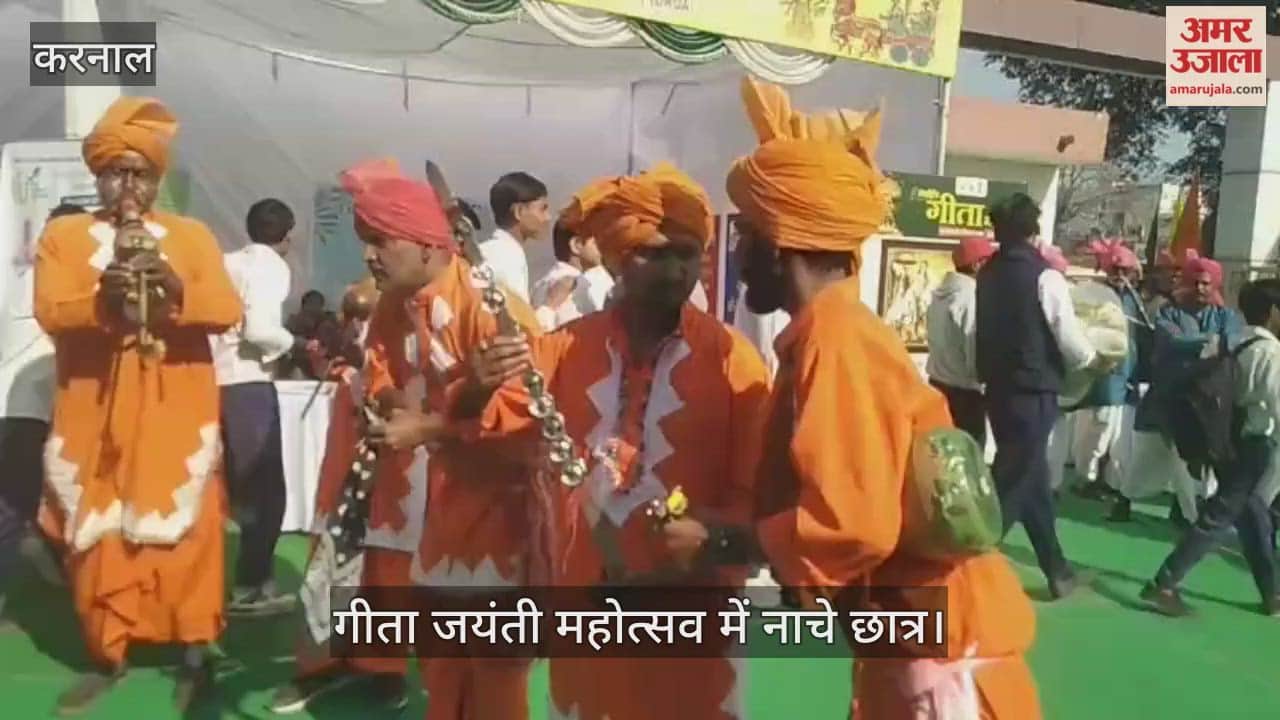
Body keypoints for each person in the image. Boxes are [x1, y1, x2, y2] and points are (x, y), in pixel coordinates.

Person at [725, 76, 1040, 718]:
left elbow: (851, 525)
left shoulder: (837, 338)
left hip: (945, 669)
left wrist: (726, 543)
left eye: (743, 236)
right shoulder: (831, 330)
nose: (735, 252)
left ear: (777, 243)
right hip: (914, 650)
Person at [460, 162, 771, 720]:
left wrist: (703, 547)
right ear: (621, 259)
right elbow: (488, 428)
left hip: (690, 608)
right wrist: (475, 386)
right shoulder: (563, 349)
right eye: (655, 254)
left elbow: (756, 492)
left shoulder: (733, 360)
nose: (675, 270)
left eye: (686, 254)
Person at [33, 96, 242, 714]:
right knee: (98, 537)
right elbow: (51, 311)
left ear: (158, 178)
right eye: (115, 172)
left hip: (177, 413)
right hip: (93, 415)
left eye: (140, 173)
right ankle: (110, 653)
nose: (128, 185)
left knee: (190, 532)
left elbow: (227, 310)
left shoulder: (191, 236)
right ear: (97, 176)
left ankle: (196, 652)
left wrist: (174, 289)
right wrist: (104, 299)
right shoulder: (64, 237)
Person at [270, 159, 474, 714]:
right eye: (366, 238)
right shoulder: (390, 300)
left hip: (456, 476)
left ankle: (388, 670)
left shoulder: (483, 306)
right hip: (377, 452)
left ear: (428, 244)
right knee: (344, 550)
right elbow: (379, 365)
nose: (367, 255)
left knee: (416, 576)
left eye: (379, 238)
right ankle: (330, 664)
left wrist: (430, 427)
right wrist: (388, 407)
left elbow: (519, 412)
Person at [976, 194, 1103, 599]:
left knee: (1030, 477)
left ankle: (1057, 569)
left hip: (998, 387)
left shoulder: (988, 272)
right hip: (1035, 389)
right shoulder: (1044, 276)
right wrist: (1093, 359)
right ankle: (966, 569)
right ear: (1034, 230)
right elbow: (1065, 332)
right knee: (1012, 483)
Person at [1140, 278, 1280, 617]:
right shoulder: (1270, 352)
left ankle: (1272, 592)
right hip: (1252, 442)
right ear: (1273, 312)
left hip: (1220, 436)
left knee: (1253, 516)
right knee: (1220, 516)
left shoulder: (1225, 342)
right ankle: (1165, 582)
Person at [210, 198, 304, 616]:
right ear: (287, 236)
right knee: (264, 493)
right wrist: (294, 345)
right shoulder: (270, 266)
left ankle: (242, 581)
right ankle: (250, 587)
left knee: (230, 490)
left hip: (212, 382)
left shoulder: (228, 262)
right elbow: (261, 329)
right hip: (247, 385)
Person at [0, 202, 88, 629]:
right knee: (14, 506)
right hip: (25, 409)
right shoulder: (61, 284)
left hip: (27, 407)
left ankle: (330, 651)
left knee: (29, 499)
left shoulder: (18, 279)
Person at [1134, 251, 1244, 527]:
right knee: (1152, 456)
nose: (1200, 288)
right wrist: (1209, 342)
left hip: (1209, 401)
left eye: (1206, 283)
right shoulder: (1168, 313)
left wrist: (1209, 344)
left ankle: (1187, 511)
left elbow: (1232, 341)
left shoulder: (1226, 316)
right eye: (1195, 282)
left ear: (1215, 285)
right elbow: (1173, 340)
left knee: (1198, 459)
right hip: (1170, 397)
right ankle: (1129, 499)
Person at [1064, 242, 1146, 503]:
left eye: (1125, 270)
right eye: (1116, 268)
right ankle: (1085, 477)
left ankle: (1107, 480)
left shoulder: (1133, 301)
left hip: (1126, 373)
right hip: (1102, 371)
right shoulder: (1094, 295)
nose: (1120, 275)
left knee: (1116, 433)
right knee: (1098, 427)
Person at [926, 236, 995, 447]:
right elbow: (974, 348)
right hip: (965, 394)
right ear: (977, 264)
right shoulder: (970, 298)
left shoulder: (941, 295)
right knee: (967, 461)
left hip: (938, 384)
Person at [530, 185, 615, 331]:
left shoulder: (539, 284)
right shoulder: (583, 284)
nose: (603, 244)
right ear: (577, 245)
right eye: (597, 239)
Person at [481, 171, 550, 303]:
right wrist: (550, 306)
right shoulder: (508, 256)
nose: (548, 217)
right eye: (543, 209)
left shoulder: (490, 250)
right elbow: (517, 321)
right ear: (519, 212)